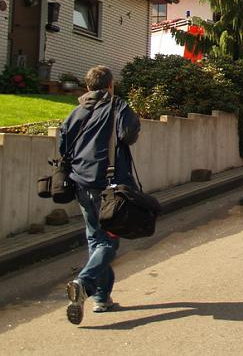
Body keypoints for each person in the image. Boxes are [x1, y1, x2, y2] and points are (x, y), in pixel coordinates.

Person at [58, 65, 141, 325]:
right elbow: (129, 135)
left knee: (95, 238)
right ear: (110, 85)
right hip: (108, 185)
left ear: (88, 87)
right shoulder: (118, 106)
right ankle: (84, 284)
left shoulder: (76, 112)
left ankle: (102, 299)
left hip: (81, 184)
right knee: (108, 243)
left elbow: (62, 145)